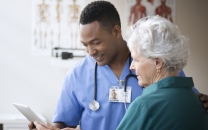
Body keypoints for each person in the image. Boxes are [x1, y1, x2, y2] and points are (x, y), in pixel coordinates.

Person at [29, 1, 208, 130]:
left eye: (96, 42)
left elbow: (182, 100)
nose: (90, 51)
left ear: (116, 31)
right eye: (85, 45)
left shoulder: (155, 63)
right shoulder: (76, 76)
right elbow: (63, 123)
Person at [117, 16, 208, 130]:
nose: (131, 67)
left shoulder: (144, 106)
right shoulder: (199, 103)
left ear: (157, 62)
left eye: (136, 60)